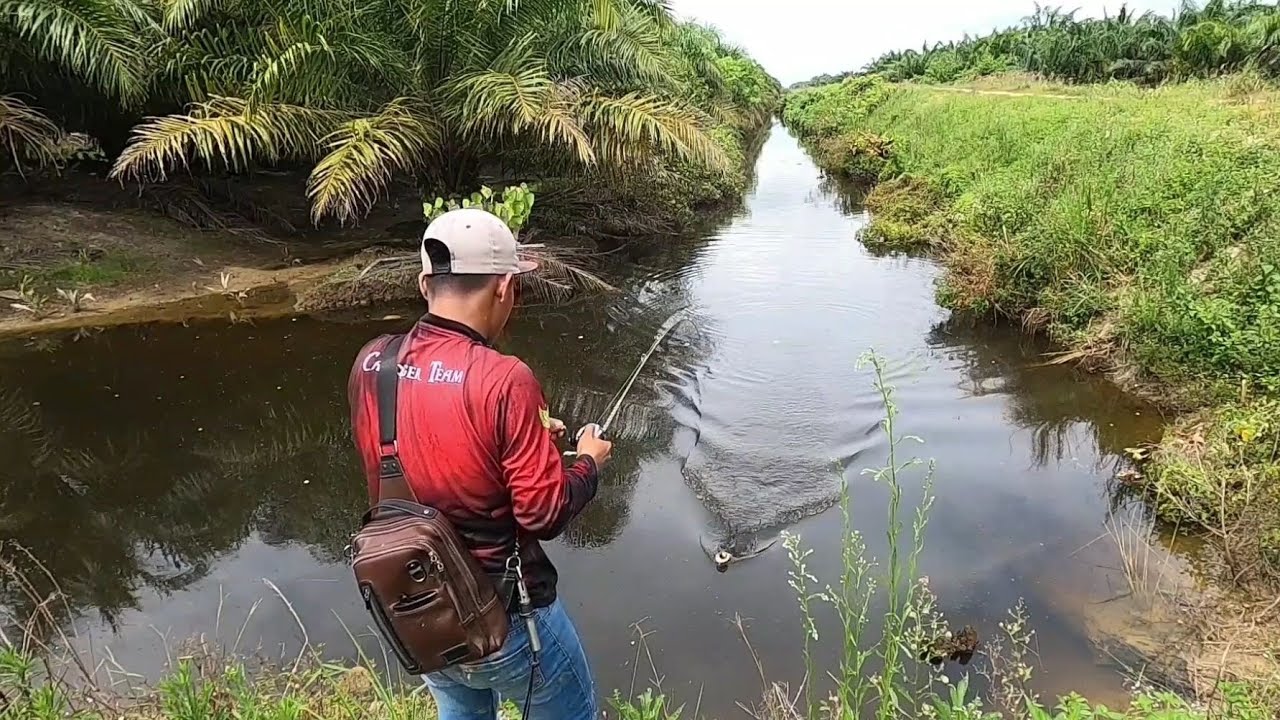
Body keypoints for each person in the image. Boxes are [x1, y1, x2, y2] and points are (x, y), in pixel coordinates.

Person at [347, 208, 613, 719]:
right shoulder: (505, 378)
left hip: (419, 605)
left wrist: (523, 443)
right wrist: (588, 463)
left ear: (426, 283)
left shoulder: (372, 361)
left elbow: (403, 462)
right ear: (504, 287)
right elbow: (543, 514)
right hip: (506, 617)